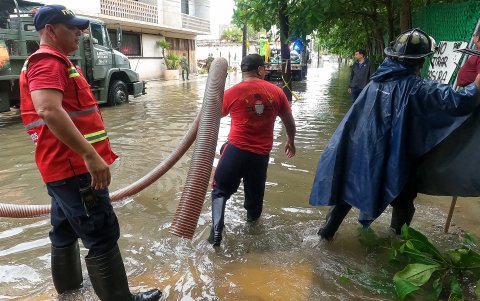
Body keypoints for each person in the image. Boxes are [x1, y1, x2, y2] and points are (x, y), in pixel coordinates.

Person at [19, 5, 161, 300]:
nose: (79, 33)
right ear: (50, 30)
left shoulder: (53, 61)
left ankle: (69, 291)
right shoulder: (48, 60)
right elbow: (48, 109)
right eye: (72, 27)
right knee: (101, 232)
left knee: (64, 230)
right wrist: (90, 155)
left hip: (60, 167)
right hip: (74, 168)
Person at [309, 28, 480, 240]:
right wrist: (477, 84)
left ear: (394, 56)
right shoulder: (420, 88)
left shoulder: (376, 82)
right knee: (403, 202)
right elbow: (461, 101)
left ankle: (324, 237)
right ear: (421, 61)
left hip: (360, 152)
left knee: (346, 195)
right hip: (395, 158)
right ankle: (396, 245)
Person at [208, 54, 296, 246]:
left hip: (235, 152)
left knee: (220, 191)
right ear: (260, 70)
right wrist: (291, 140)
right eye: (264, 68)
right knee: (255, 201)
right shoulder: (277, 92)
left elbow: (211, 118)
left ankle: (216, 231)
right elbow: (289, 121)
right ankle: (252, 237)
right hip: (260, 157)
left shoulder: (232, 93)